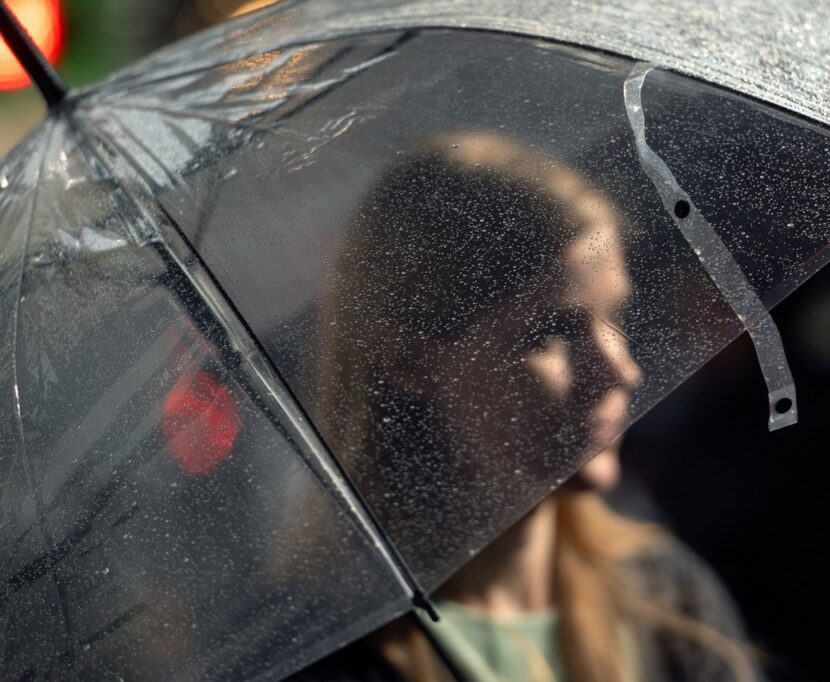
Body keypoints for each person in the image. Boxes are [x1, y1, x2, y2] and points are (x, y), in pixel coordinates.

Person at [290, 132, 760, 681]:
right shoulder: (324, 654)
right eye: (553, 331)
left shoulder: (668, 600)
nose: (621, 370)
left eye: (617, 317)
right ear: (407, 363)